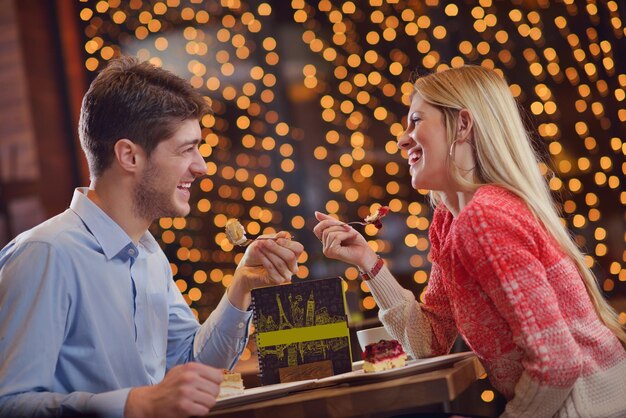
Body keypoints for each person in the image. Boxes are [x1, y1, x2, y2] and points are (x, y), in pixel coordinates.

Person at [313, 65, 626, 417]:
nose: (403, 140)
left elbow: (557, 363)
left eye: (416, 121)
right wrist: (368, 263)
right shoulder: (450, 222)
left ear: (462, 125)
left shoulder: (485, 219)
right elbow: (429, 342)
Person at [0, 56, 303, 418]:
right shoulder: (45, 253)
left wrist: (242, 286)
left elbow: (192, 364)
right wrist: (134, 404)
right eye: (186, 148)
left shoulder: (147, 253)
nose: (202, 165)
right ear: (129, 155)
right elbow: (9, 403)